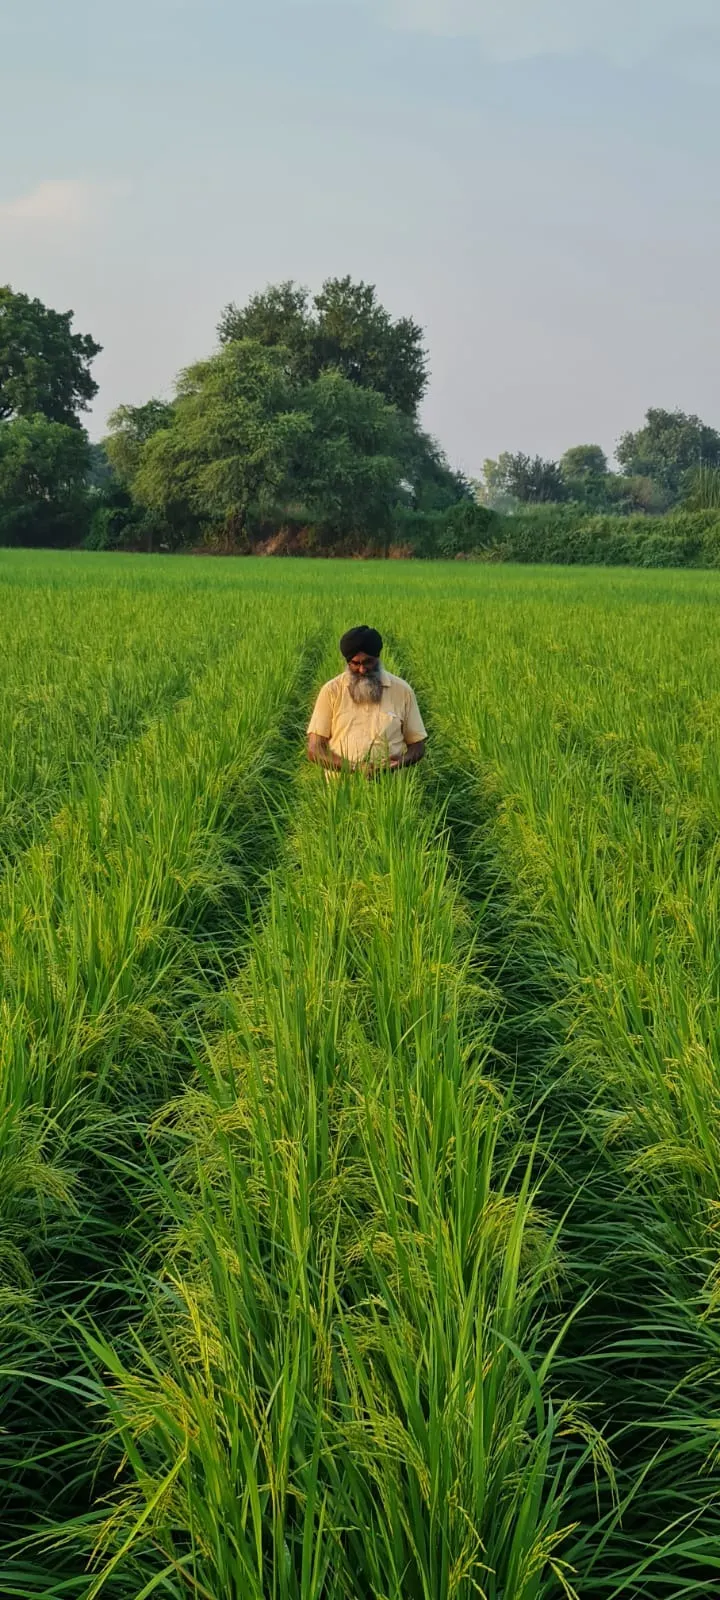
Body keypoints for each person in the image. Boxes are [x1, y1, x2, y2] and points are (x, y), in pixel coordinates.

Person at [307, 625, 427, 774]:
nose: (362, 670)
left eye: (368, 662)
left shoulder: (402, 691)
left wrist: (400, 762)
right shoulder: (331, 691)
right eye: (356, 663)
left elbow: (417, 745)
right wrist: (353, 768)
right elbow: (315, 749)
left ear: (377, 658)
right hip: (342, 791)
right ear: (348, 662)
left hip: (390, 785)